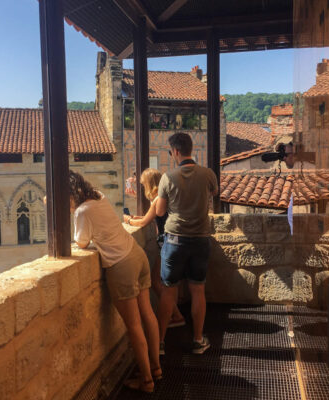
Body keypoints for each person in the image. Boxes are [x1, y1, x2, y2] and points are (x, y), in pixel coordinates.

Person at [68, 170, 161, 393]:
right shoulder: (99, 196)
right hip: (136, 254)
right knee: (147, 313)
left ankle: (147, 381)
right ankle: (156, 368)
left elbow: (81, 243)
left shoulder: (82, 211)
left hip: (121, 265)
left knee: (134, 325)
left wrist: (74, 214)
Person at [155, 132, 218, 355]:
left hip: (175, 241)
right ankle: (198, 340)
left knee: (168, 292)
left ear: (176, 151)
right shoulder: (208, 174)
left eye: (171, 152)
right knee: (198, 290)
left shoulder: (168, 177)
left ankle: (160, 344)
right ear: (191, 149)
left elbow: (160, 211)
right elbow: (214, 192)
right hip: (201, 239)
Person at [123, 168, 186, 328]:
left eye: (143, 184)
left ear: (149, 184)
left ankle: (177, 316)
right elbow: (149, 217)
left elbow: (143, 223)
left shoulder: (158, 199)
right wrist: (137, 218)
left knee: (157, 282)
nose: (142, 187)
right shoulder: (164, 197)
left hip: (166, 243)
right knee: (170, 284)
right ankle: (176, 314)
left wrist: (128, 221)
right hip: (175, 241)